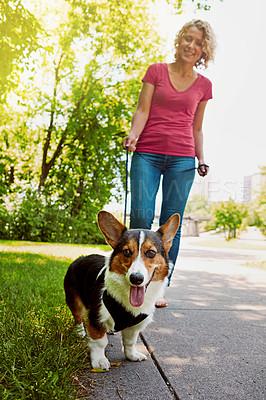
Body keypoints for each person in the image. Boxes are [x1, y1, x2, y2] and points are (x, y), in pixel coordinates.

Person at [123, 19, 216, 307]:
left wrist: (201, 158)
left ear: (204, 51)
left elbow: (197, 127)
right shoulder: (156, 71)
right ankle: (132, 276)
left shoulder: (204, 86)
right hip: (147, 153)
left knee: (169, 226)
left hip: (183, 159)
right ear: (179, 40)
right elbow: (142, 109)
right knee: (140, 215)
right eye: (188, 38)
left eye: (198, 43)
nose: (192, 45)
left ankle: (160, 286)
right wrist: (133, 134)